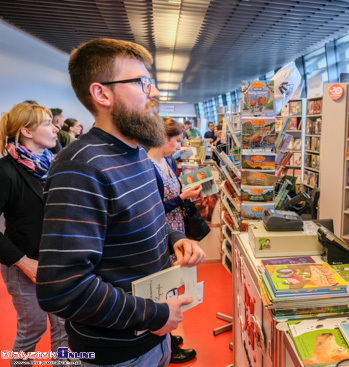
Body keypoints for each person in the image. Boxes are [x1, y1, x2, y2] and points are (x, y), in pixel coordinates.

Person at [36, 38, 206, 366]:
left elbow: (139, 219)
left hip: (151, 341)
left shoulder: (138, 155)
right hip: (114, 354)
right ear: (102, 94)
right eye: (143, 83)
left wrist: (175, 239)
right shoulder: (82, 167)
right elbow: (61, 287)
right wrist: (154, 314)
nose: (154, 93)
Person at [0, 102, 68, 366]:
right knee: (33, 328)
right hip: (24, 263)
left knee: (64, 327)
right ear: (27, 132)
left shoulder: (54, 164)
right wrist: (23, 262)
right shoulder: (5, 170)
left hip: (57, 261)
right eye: (47, 123)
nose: (55, 128)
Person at [147, 116, 203, 364]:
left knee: (172, 281)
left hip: (175, 229)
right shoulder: (148, 167)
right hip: (162, 231)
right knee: (164, 289)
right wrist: (181, 198)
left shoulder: (167, 161)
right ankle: (167, 340)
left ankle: (169, 337)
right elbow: (153, 208)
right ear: (162, 138)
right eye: (177, 141)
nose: (179, 147)